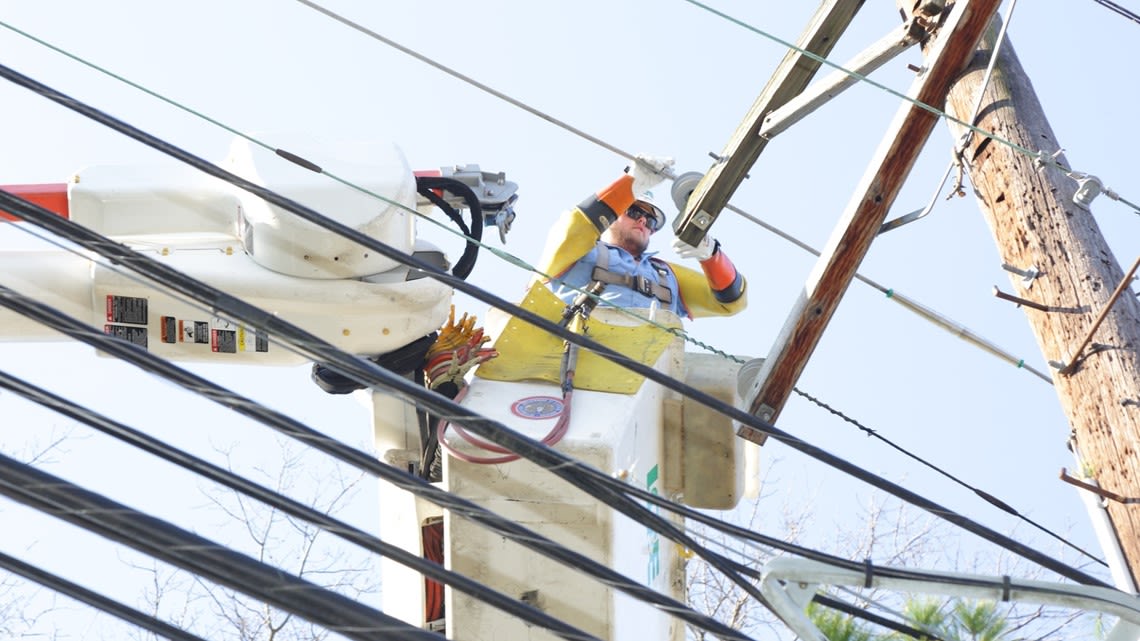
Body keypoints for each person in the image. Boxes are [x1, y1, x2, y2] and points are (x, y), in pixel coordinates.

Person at [533, 155, 746, 320]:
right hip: (573, 344)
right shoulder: (580, 254)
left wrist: (711, 254)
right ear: (613, 215)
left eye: (651, 220)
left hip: (646, 363)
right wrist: (631, 185)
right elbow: (573, 229)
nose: (643, 221)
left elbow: (732, 302)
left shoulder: (666, 274)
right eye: (634, 212)